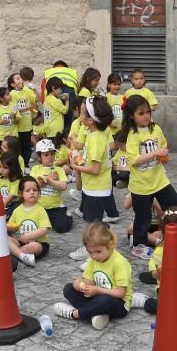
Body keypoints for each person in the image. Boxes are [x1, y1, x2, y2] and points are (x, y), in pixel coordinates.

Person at [121, 94, 177, 257]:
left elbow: (163, 145)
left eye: (148, 112)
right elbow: (134, 160)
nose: (146, 116)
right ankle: (139, 246)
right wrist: (155, 153)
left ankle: (174, 236)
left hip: (159, 180)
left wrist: (163, 155)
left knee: (175, 206)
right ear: (132, 116)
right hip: (141, 185)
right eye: (141, 113)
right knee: (143, 217)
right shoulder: (133, 135)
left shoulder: (156, 128)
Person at [67, 96, 120, 262]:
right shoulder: (94, 134)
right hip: (94, 187)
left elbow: (95, 169)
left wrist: (76, 167)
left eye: (82, 114)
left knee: (93, 224)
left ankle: (95, 254)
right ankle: (98, 249)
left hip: (96, 188)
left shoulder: (96, 139)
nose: (80, 116)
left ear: (90, 120)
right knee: (94, 222)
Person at [54, 222, 131, 330]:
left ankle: (75, 314)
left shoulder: (119, 262)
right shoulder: (93, 260)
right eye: (90, 252)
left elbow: (121, 293)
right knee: (68, 288)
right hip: (97, 298)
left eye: (98, 251)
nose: (94, 256)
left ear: (110, 245)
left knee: (104, 300)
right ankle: (96, 313)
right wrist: (80, 283)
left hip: (119, 304)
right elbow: (89, 281)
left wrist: (98, 290)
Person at [29, 138, 71, 233]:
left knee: (63, 228)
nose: (50, 157)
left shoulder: (59, 170)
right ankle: (47, 220)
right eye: (46, 155)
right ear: (39, 156)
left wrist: (49, 180)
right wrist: (46, 178)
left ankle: (67, 216)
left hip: (56, 207)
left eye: (52, 154)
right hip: (38, 206)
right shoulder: (35, 169)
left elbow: (63, 186)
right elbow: (33, 186)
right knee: (32, 225)